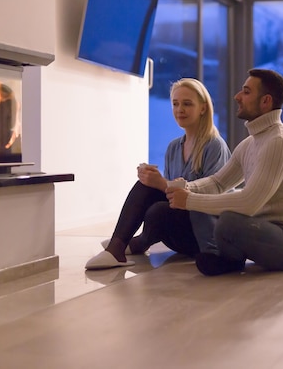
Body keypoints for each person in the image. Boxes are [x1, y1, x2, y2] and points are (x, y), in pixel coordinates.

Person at [166, 68, 283, 276]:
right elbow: (217, 183)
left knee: (229, 222)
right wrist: (186, 187)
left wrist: (189, 200)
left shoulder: (279, 142)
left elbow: (249, 203)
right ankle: (229, 261)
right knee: (219, 212)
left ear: (265, 101)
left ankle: (229, 261)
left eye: (246, 92)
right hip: (272, 231)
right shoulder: (251, 143)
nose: (237, 97)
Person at [85, 78, 231, 269]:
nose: (180, 110)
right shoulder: (173, 147)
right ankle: (117, 247)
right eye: (176, 104)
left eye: (187, 104)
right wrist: (152, 180)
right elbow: (170, 195)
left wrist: (162, 184)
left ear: (203, 108)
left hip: (203, 232)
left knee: (159, 211)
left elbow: (210, 198)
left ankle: (137, 243)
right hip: (178, 230)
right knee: (145, 188)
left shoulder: (214, 146)